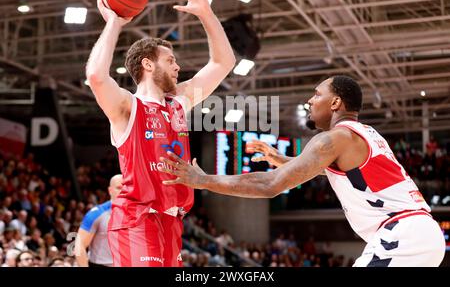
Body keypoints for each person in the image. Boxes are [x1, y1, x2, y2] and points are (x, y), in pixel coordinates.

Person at [160, 75, 446, 267]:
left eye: (317, 94)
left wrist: (204, 180)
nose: (310, 100)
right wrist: (285, 160)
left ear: (336, 103)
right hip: (419, 233)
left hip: (402, 234)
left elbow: (270, 185)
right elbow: (341, 173)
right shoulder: (365, 134)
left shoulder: (333, 139)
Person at [85, 0, 235, 267]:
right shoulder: (127, 106)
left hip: (173, 221)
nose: (178, 66)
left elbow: (223, 62)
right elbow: (96, 76)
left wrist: (206, 13)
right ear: (148, 64)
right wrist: (114, 23)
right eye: (171, 60)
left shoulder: (179, 102)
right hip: (137, 219)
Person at [74, 175, 123, 267]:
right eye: (119, 188)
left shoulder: (138, 212)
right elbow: (79, 246)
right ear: (110, 190)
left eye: (126, 187)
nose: (123, 191)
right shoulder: (97, 214)